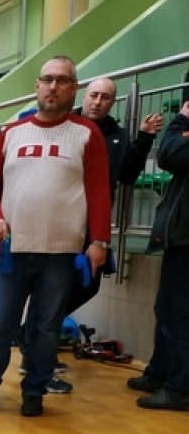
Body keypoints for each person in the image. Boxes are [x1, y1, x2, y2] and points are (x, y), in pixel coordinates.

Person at [0, 56, 111, 418]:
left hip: (61, 254)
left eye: (62, 80)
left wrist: (98, 241)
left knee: (45, 329)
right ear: (37, 85)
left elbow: (98, 192)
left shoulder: (86, 134)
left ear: (73, 88)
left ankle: (34, 392)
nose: (53, 86)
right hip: (14, 250)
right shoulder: (12, 133)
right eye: (47, 79)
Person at [54, 78, 164, 355]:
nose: (97, 101)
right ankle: (39, 343)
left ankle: (36, 329)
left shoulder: (118, 136)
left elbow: (126, 175)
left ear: (112, 103)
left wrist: (145, 139)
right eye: (93, 95)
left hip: (94, 226)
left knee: (88, 285)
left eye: (104, 97)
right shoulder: (63, 124)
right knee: (53, 284)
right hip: (58, 221)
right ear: (84, 95)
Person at [128, 99, 189, 411]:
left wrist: (180, 121)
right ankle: (162, 373)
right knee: (168, 310)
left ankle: (179, 387)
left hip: (187, 241)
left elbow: (169, 154)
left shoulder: (183, 127)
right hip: (181, 239)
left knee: (177, 314)